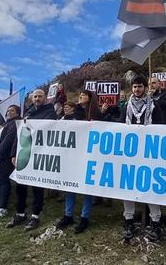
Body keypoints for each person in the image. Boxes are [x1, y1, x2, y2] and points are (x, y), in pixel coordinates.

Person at [120, 75, 164, 241]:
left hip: (149, 152)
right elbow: (120, 125)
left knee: (150, 185)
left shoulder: (154, 106)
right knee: (128, 186)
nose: (137, 89)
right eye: (134, 87)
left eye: (140, 86)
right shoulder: (126, 106)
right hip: (130, 153)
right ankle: (129, 220)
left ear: (145, 88)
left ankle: (156, 222)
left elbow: (161, 127)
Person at [7, 89, 57, 231]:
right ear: (31, 98)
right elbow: (19, 134)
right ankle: (20, 213)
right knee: (20, 185)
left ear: (45, 98)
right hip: (24, 153)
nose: (37, 98)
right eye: (35, 96)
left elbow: (48, 130)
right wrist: (13, 154)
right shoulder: (27, 113)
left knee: (37, 187)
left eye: (40, 96)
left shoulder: (50, 112)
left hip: (39, 154)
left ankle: (35, 216)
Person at [56, 90, 99, 233]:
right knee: (70, 185)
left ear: (90, 97)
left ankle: (84, 218)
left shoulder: (95, 112)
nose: (80, 97)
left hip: (88, 154)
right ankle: (68, 215)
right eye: (79, 95)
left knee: (87, 187)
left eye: (83, 95)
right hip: (73, 155)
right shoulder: (73, 114)